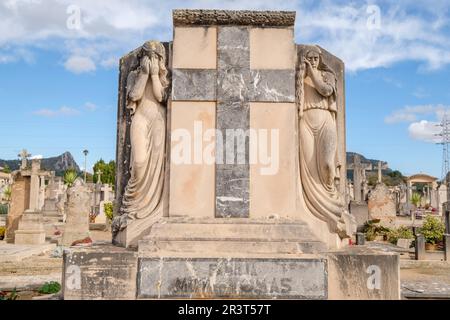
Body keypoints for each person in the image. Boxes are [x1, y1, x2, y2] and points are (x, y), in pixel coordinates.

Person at [120, 41, 169, 220]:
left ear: (160, 59)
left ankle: (151, 208)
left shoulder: (164, 77)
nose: (150, 60)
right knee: (139, 163)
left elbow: (160, 96)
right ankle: (135, 206)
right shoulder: (134, 75)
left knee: (157, 165)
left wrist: (155, 75)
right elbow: (134, 95)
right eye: (147, 56)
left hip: (158, 120)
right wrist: (145, 74)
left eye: (154, 57)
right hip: (141, 119)